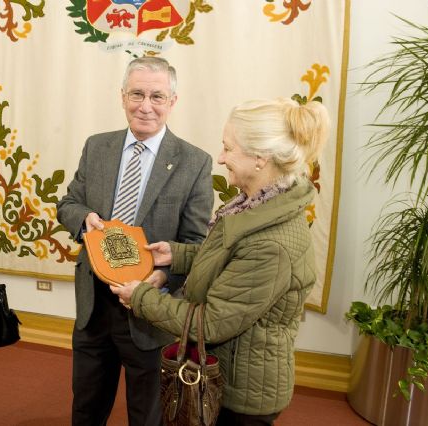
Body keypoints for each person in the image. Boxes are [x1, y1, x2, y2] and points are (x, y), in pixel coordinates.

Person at [111, 98, 330, 425]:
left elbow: (211, 322)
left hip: (241, 396)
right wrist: (178, 254)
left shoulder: (270, 242)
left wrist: (140, 298)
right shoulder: (256, 206)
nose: (221, 158)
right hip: (226, 373)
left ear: (259, 158)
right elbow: (233, 262)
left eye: (229, 149)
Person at [56, 56, 214, 425]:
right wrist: (85, 220)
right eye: (137, 94)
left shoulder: (195, 162)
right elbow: (69, 203)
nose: (146, 106)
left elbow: (194, 243)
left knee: (147, 415)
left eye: (157, 96)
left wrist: (160, 279)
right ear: (122, 96)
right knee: (86, 408)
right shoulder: (97, 147)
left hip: (150, 311)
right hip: (93, 306)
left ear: (173, 101)